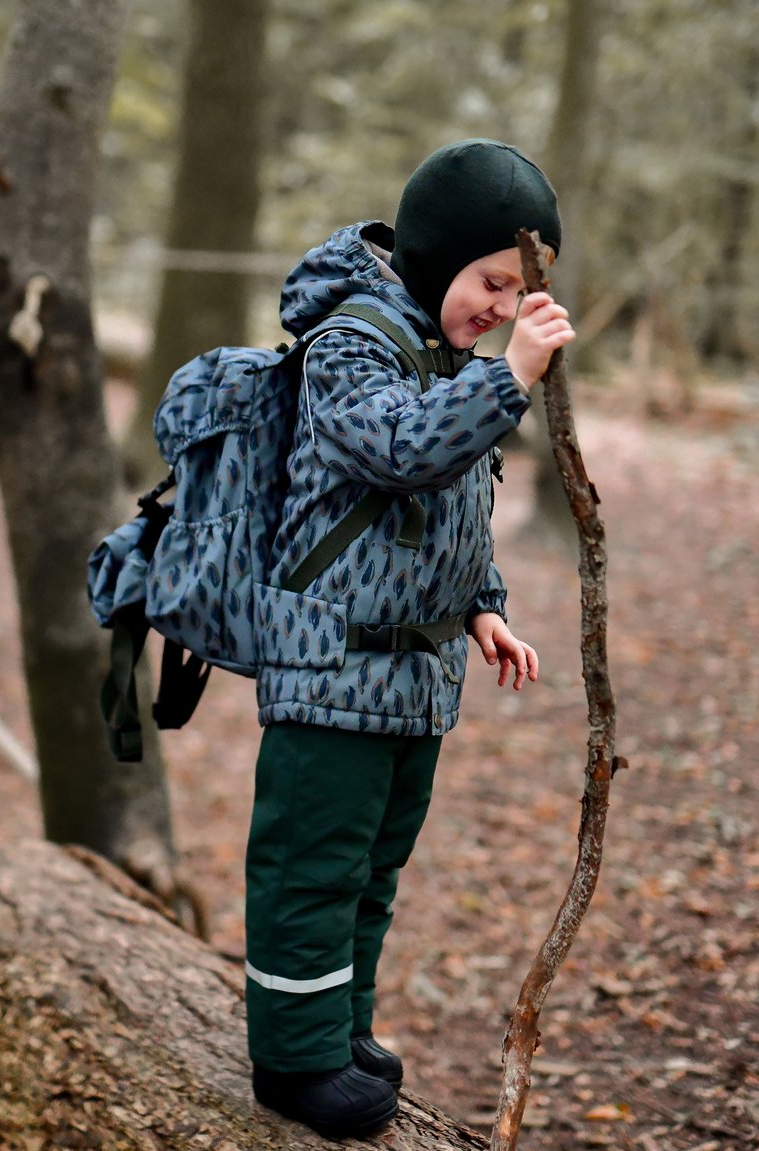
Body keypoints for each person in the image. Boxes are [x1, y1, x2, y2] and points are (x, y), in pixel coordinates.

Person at [245, 139, 575, 1138]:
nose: (500, 308)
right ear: (436, 256)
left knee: (371, 865)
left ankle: (335, 1024)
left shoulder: (447, 361)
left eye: (516, 292)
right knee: (313, 860)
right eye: (490, 281)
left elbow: (453, 505)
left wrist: (482, 603)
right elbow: (396, 449)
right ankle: (289, 1059)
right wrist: (510, 374)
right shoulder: (351, 342)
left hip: (410, 674)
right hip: (330, 662)